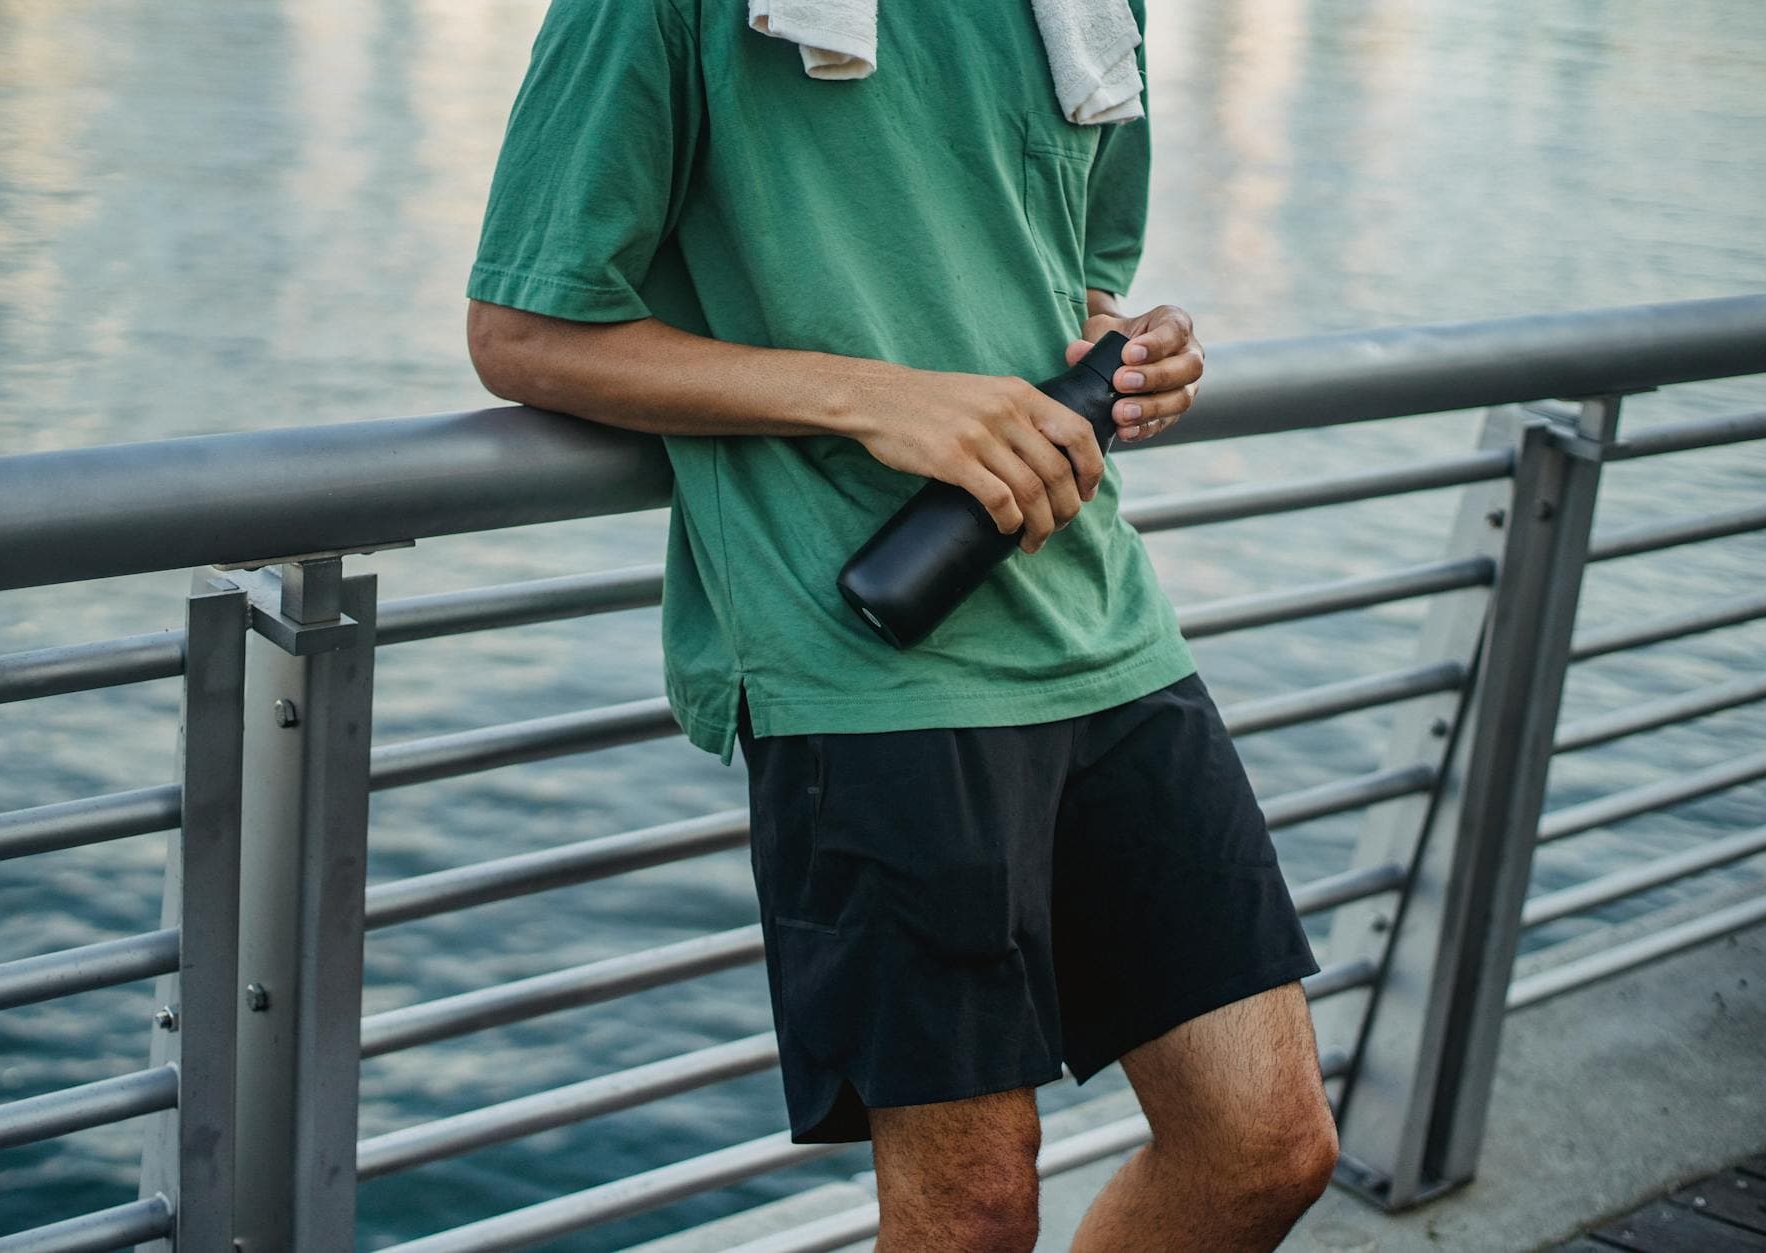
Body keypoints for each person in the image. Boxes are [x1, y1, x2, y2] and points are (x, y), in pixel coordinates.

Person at [464, 0, 1339, 1247]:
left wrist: (1128, 345)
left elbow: (1071, 267)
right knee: (970, 1211)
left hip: (1096, 609)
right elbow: (523, 332)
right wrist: (872, 401)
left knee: (1266, 1145)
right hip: (866, 648)